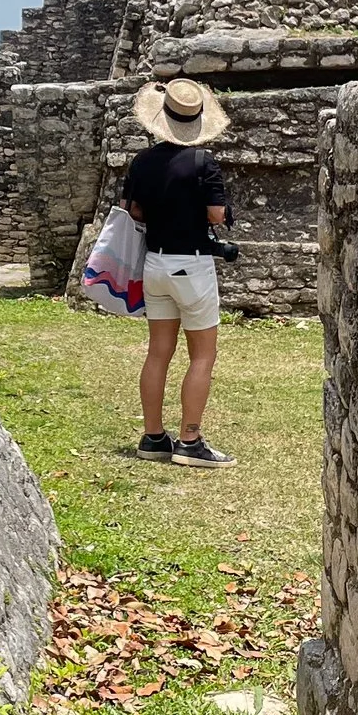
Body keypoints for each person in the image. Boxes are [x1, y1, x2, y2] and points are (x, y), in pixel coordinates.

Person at [121, 78, 239, 468]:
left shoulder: (142, 162)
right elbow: (216, 215)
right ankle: (190, 439)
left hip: (154, 262)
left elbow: (133, 210)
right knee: (203, 354)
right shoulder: (203, 162)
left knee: (158, 351)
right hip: (191, 263)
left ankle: (153, 436)